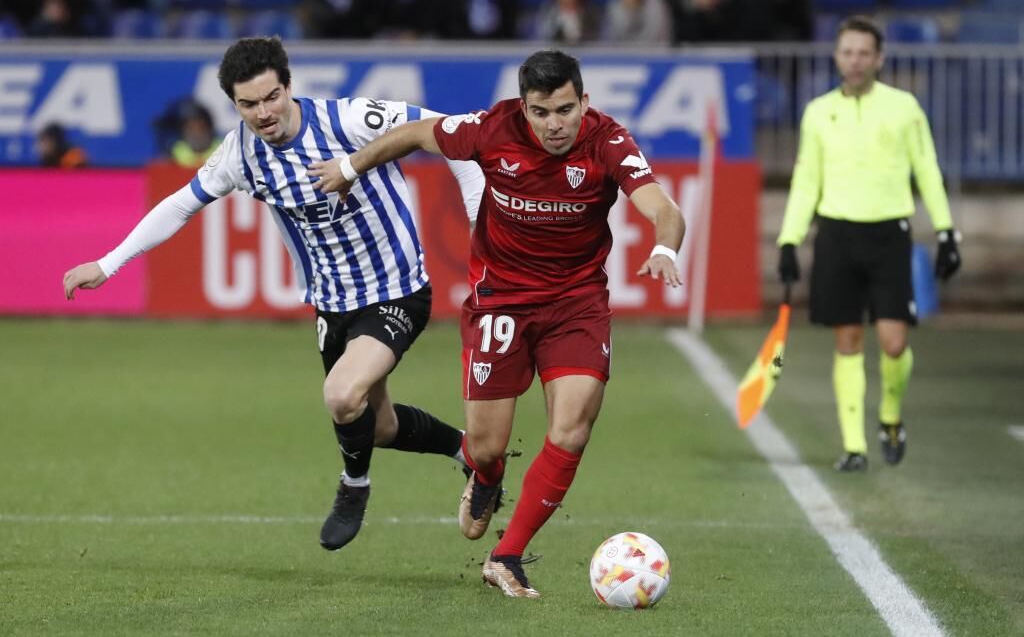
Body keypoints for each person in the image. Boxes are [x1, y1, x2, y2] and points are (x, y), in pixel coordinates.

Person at [63, 36, 486, 551]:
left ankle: (354, 486)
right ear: (234, 105)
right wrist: (108, 264)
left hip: (398, 291)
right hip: (332, 303)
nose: (263, 113)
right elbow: (179, 205)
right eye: (248, 104)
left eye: (271, 97)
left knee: (340, 395)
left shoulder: (350, 120)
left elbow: (456, 135)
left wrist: (479, 222)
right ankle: (473, 457)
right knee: (378, 425)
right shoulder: (239, 154)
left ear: (289, 87)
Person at [308, 49, 686, 597]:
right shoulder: (491, 128)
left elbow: (662, 207)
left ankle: (506, 556)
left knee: (573, 428)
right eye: (541, 112)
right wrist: (348, 168)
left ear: (584, 102)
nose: (554, 125)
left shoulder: (608, 141)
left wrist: (666, 249)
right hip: (500, 304)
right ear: (524, 108)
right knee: (486, 446)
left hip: (576, 304)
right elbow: (416, 132)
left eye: (564, 110)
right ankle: (485, 476)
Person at [776, 16, 961, 473]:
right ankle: (854, 446)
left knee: (895, 343)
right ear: (837, 56)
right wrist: (788, 239)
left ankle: (891, 417)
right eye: (847, 52)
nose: (854, 61)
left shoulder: (904, 108)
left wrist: (945, 231)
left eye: (863, 53)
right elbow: (806, 180)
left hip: (888, 235)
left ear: (879, 58)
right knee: (849, 339)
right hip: (837, 234)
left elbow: (928, 169)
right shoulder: (818, 111)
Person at [170, 101, 221, 167]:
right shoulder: (172, 156)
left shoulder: (224, 151)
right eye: (191, 128)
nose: (197, 134)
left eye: (201, 128)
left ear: (210, 129)